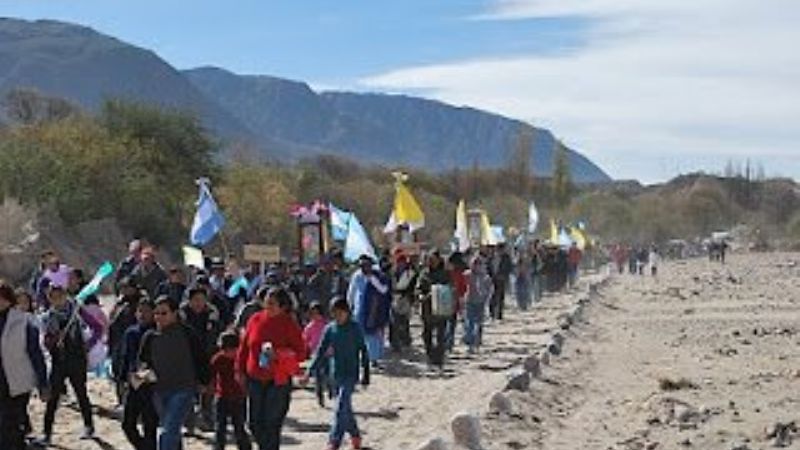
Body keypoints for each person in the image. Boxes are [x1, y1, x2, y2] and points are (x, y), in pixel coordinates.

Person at [138, 296, 210, 450]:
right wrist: (143, 374)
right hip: (159, 390)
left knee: (168, 431)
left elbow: (201, 358)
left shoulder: (187, 333)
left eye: (164, 313)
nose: (159, 317)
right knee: (171, 428)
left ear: (175, 313)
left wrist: (204, 382)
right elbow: (143, 362)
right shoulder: (149, 337)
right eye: (156, 313)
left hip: (183, 389)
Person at [237, 287, 305, 450]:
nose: (268, 305)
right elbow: (244, 347)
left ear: (282, 306)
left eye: (272, 303)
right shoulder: (255, 319)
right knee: (254, 423)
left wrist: (279, 354)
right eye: (266, 302)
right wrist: (239, 370)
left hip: (278, 380)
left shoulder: (289, 323)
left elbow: (301, 353)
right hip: (255, 378)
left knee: (272, 424)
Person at [302, 298, 370, 450]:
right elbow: (320, 352)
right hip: (335, 374)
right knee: (345, 409)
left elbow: (364, 352)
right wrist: (309, 372)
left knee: (340, 407)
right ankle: (355, 435)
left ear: (347, 312)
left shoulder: (355, 328)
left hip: (351, 374)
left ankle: (334, 442)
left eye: (340, 313)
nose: (338, 316)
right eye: (334, 313)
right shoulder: (330, 329)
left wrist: (366, 375)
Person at [40, 284, 103, 443]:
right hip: (58, 360)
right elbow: (46, 342)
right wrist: (54, 339)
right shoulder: (48, 317)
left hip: (76, 359)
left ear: (65, 294)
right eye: (53, 297)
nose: (57, 299)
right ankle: (47, 433)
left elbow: (97, 327)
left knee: (81, 393)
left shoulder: (77, 311)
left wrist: (88, 345)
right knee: (53, 398)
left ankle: (89, 426)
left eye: (59, 295)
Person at [0, 283, 48, 450]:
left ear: (7, 299)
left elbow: (36, 353)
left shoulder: (23, 321)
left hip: (18, 382)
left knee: (9, 423)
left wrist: (43, 383)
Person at [180, 288, 222, 431]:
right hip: (187, 358)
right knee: (187, 393)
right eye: (195, 300)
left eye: (201, 300)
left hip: (207, 357)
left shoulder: (212, 315)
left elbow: (215, 336)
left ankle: (207, 420)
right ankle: (189, 423)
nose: (198, 303)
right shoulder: (182, 315)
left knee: (207, 392)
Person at [120, 299, 158, 450]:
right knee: (128, 424)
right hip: (133, 383)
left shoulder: (157, 332)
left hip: (151, 384)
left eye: (146, 311)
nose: (142, 314)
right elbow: (125, 357)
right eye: (139, 311)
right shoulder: (131, 332)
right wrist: (122, 379)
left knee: (150, 425)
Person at [210, 331, 251, 450]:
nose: (229, 353)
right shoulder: (217, 359)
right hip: (221, 396)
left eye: (232, 350)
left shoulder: (242, 359)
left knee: (239, 427)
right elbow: (211, 377)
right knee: (220, 428)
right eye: (226, 350)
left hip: (238, 397)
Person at [347, 255, 390, 366]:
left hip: (373, 311)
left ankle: (373, 359)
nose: (364, 267)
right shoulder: (356, 276)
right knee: (359, 335)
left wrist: (372, 278)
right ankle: (361, 358)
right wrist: (349, 306)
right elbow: (351, 292)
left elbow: (384, 290)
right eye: (361, 265)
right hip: (359, 310)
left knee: (373, 336)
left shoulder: (378, 276)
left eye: (366, 265)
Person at [415, 250, 452, 369]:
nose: (431, 262)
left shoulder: (445, 274)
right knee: (427, 335)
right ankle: (430, 357)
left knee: (441, 336)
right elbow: (418, 289)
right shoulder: (424, 273)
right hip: (427, 308)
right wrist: (422, 296)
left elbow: (450, 288)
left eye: (434, 259)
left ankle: (439, 359)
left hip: (441, 309)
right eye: (430, 259)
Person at [463, 255, 493, 353]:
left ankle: (477, 342)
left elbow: (490, 289)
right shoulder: (467, 275)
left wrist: (487, 298)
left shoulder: (485, 276)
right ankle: (470, 343)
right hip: (469, 301)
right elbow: (462, 287)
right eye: (475, 264)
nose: (477, 266)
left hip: (480, 302)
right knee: (470, 323)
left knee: (479, 323)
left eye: (479, 264)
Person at [303, 302, 331, 407]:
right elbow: (304, 339)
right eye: (313, 313)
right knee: (318, 377)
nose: (316, 316)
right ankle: (320, 396)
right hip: (316, 354)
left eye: (317, 313)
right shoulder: (309, 327)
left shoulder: (327, 325)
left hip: (328, 354)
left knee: (329, 374)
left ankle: (330, 390)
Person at [389, 252, 416, 352]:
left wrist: (410, 297)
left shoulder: (410, 273)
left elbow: (413, 287)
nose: (401, 264)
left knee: (404, 321)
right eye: (399, 262)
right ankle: (395, 343)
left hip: (405, 299)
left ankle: (405, 341)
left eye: (403, 262)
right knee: (394, 322)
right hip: (395, 299)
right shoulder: (393, 272)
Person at [489, 244, 513, 320]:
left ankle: (499, 314)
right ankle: (492, 313)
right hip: (492, 279)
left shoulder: (506, 258)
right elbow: (488, 267)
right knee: (492, 296)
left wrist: (504, 275)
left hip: (502, 279)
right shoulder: (491, 257)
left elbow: (510, 267)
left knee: (501, 297)